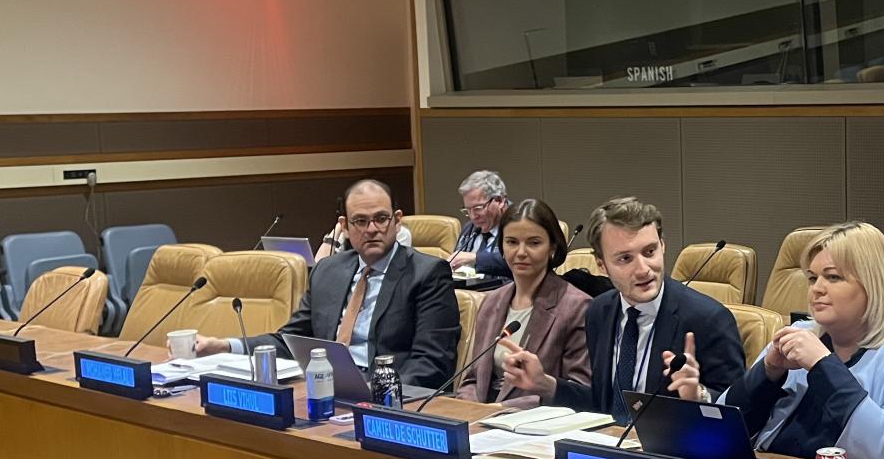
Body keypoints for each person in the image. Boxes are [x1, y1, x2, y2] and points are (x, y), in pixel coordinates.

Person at [720, 222, 884, 459]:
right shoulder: (802, 334)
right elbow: (721, 431)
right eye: (813, 278)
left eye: (833, 277)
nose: (817, 289)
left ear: (874, 284)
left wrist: (822, 366)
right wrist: (767, 374)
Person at [494, 196, 743, 421]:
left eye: (650, 251)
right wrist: (544, 384)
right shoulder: (599, 312)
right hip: (610, 452)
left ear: (663, 246)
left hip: (677, 458)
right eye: (625, 259)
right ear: (601, 265)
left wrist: (699, 396)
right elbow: (602, 405)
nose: (644, 268)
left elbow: (741, 413)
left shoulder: (708, 319)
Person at [196, 179, 460, 388]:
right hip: (323, 388)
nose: (371, 229)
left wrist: (376, 394)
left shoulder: (427, 273)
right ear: (344, 226)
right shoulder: (327, 271)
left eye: (381, 219)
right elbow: (291, 339)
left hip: (388, 397)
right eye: (360, 221)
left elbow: (432, 363)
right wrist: (226, 346)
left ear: (397, 220)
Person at [454, 198, 590, 407]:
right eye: (512, 242)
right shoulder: (491, 302)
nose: (521, 252)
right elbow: (473, 379)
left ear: (552, 247)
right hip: (482, 421)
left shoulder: (576, 307)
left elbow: (581, 392)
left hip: (535, 426)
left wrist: (497, 412)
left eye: (534, 243)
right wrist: (469, 411)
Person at [450, 169, 510, 276]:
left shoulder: (518, 226)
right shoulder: (469, 229)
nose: (473, 216)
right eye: (468, 210)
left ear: (499, 201)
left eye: (478, 208)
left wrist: (476, 258)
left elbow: (516, 262)